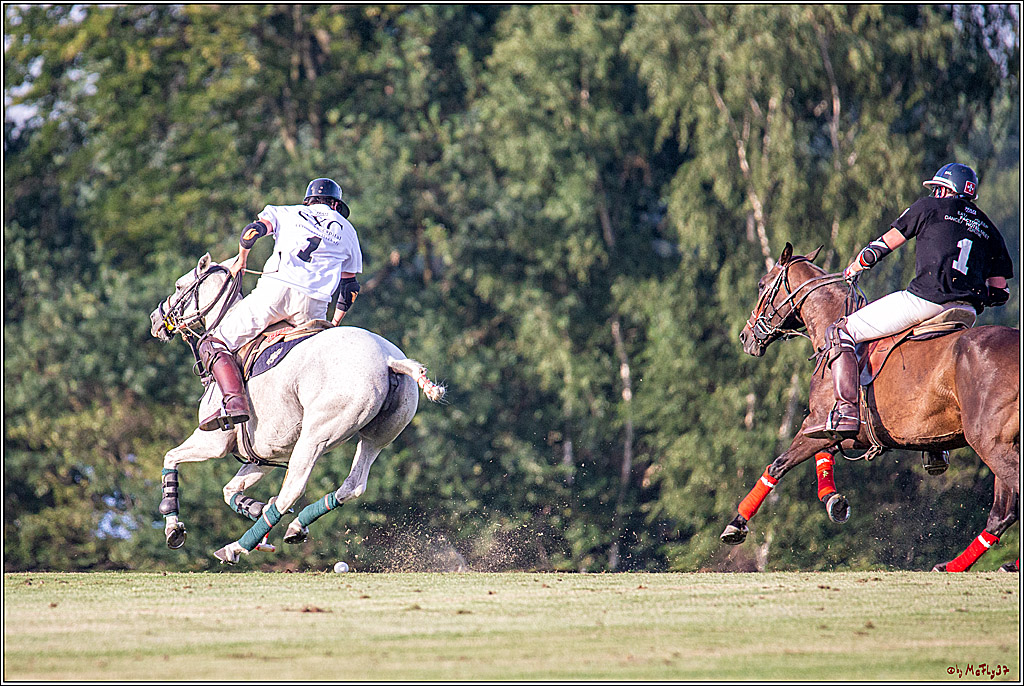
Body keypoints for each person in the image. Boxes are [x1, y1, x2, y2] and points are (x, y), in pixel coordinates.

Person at [804, 162, 1013, 441]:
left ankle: (846, 409)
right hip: (966, 312)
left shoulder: (929, 206)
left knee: (841, 331)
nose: (936, 193)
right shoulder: (989, 228)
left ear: (944, 190)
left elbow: (883, 245)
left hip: (925, 300)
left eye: (938, 188)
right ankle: (938, 447)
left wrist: (856, 266)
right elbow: (1000, 291)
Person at [198, 178, 363, 431]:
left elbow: (251, 232)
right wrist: (335, 322)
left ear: (309, 201)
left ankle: (233, 403)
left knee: (214, 342)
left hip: (276, 292)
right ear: (334, 204)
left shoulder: (286, 212)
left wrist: (241, 259)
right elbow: (350, 288)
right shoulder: (348, 232)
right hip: (313, 305)